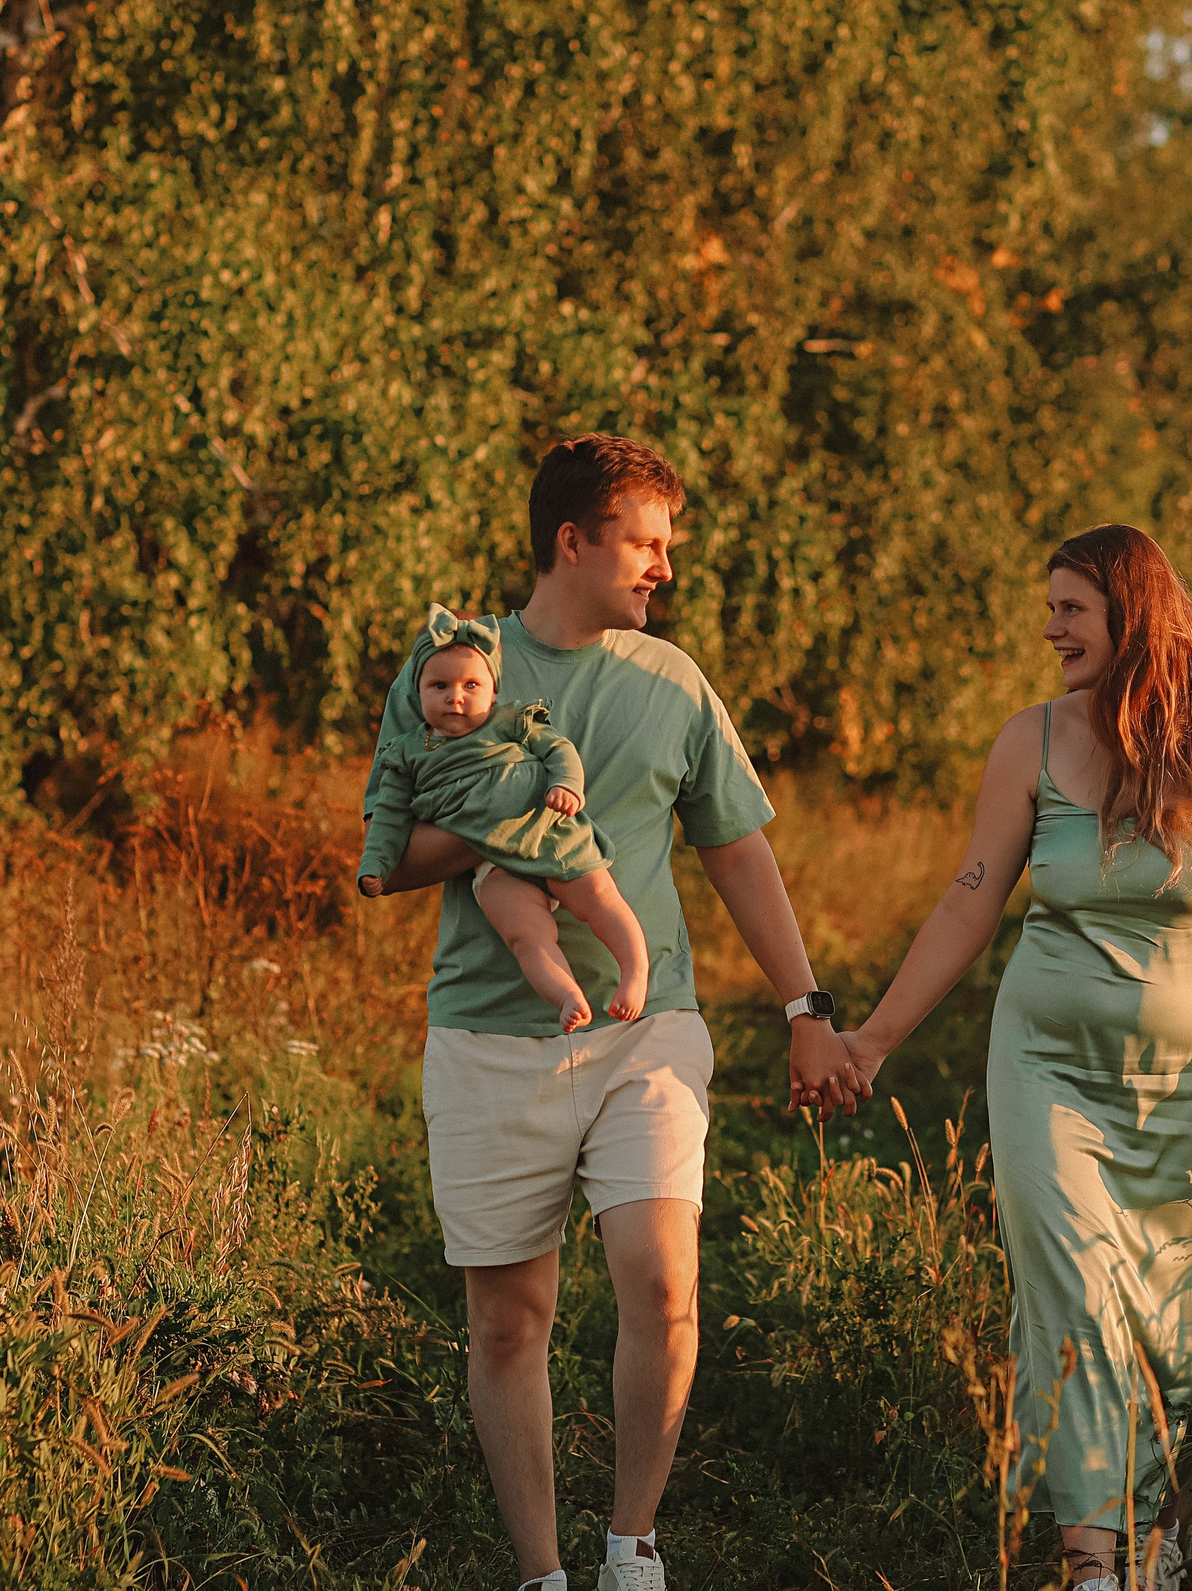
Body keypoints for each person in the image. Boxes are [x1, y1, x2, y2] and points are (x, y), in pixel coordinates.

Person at [363, 433, 855, 1591]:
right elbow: (395, 847)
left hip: (649, 1024)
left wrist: (805, 1006)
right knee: (508, 1321)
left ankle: (633, 1548)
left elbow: (737, 852)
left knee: (663, 1279)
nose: (663, 568)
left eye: (666, 546)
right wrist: (509, 814)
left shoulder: (672, 681)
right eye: (644, 543)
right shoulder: (456, 666)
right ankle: (541, 1573)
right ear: (571, 542)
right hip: (490, 1037)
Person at [838, 523, 1192, 1591]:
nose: (1050, 629)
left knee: (1164, 1326)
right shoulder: (1030, 743)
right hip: (1046, 1074)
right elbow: (969, 900)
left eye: (1070, 609)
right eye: (1051, 608)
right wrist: (873, 1038)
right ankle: (1092, 1566)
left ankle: (1149, 1537)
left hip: (1187, 1094)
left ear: (1131, 617)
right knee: (1078, 1304)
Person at [357, 605, 651, 1031]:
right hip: (492, 863)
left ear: (493, 690)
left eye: (470, 685)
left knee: (600, 897)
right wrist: (375, 863)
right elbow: (388, 815)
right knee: (525, 936)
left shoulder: (510, 719)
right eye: (439, 685)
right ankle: (566, 995)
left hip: (548, 829)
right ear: (417, 691)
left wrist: (567, 785)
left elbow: (559, 750)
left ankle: (635, 972)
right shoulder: (406, 752)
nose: (455, 696)